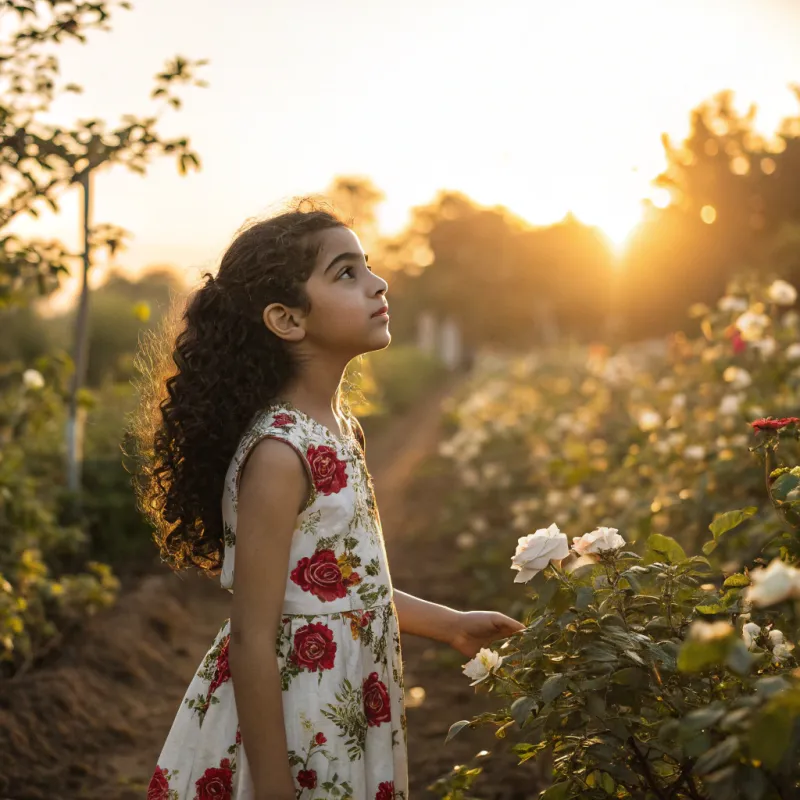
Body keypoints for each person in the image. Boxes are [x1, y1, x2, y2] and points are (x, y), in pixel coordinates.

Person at [130, 201, 525, 800]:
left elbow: (345, 586)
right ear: (288, 320)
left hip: (345, 701)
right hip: (294, 721)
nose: (377, 282)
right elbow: (252, 638)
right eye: (346, 273)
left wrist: (449, 625)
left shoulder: (340, 430)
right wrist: (273, 787)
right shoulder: (280, 455)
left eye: (367, 266)